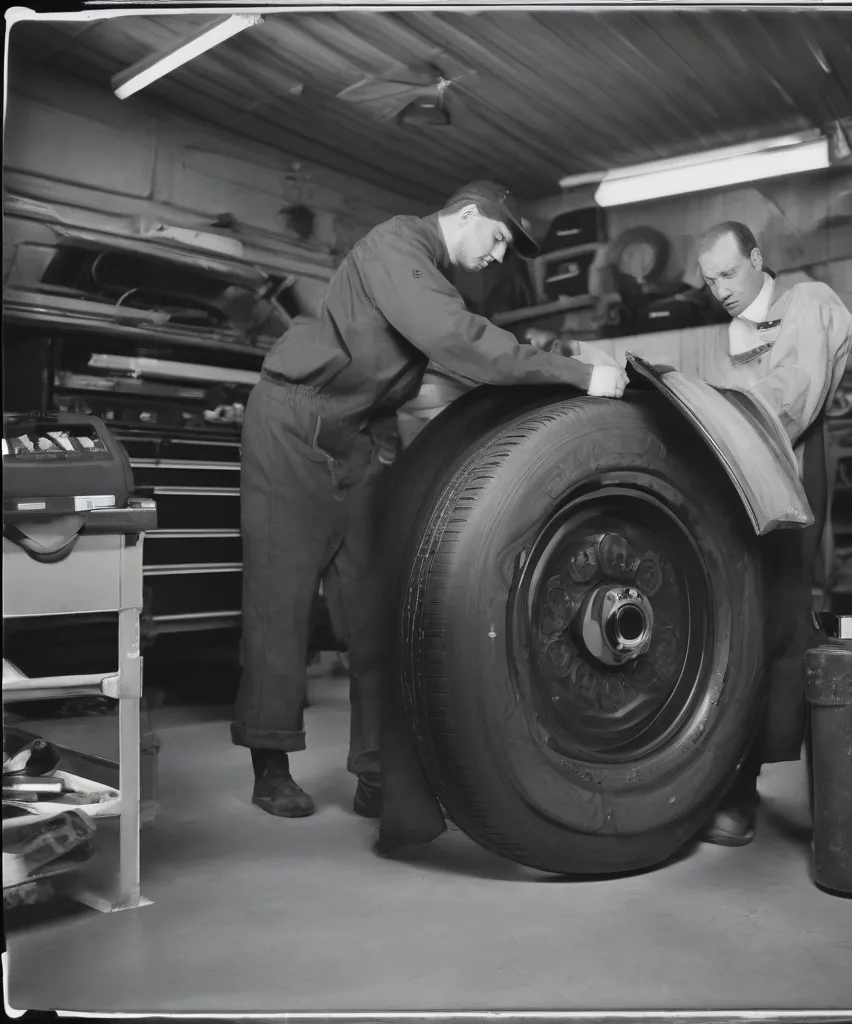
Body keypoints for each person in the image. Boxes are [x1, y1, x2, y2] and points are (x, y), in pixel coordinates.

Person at [232, 181, 629, 820]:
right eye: (498, 238)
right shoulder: (395, 245)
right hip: (292, 423)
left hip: (357, 437)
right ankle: (269, 764)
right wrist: (578, 376)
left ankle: (375, 769)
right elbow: (457, 339)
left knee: (374, 607)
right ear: (466, 215)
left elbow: (462, 354)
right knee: (282, 599)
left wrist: (556, 361)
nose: (499, 256)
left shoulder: (429, 276)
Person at [693, 221, 852, 845]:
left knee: (782, 623)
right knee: (737, 623)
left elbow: (795, 395)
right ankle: (732, 784)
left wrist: (724, 423)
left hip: (789, 467)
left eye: (729, 274)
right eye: (710, 281)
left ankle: (823, 799)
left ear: (757, 259)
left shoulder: (809, 302)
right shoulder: (732, 332)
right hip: (745, 470)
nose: (721, 290)